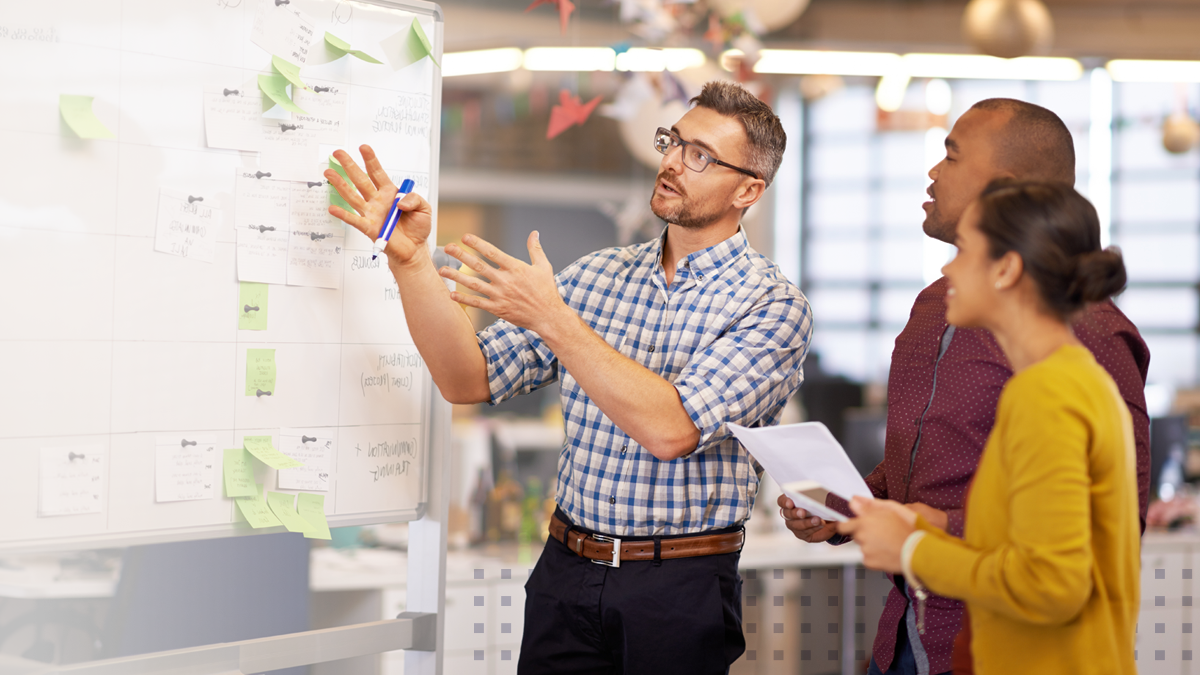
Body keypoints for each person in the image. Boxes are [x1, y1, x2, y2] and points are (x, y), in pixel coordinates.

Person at [325, 81, 812, 674]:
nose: (671, 163)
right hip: (566, 570)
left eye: (700, 155)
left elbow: (672, 429)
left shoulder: (772, 306)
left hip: (678, 587)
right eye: (673, 142)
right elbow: (466, 377)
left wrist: (554, 319)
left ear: (748, 189)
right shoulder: (598, 275)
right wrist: (411, 262)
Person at [777, 98, 1150, 675]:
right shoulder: (941, 311)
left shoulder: (1068, 369)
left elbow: (1076, 555)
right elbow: (947, 479)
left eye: (949, 154)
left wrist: (914, 540)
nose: (949, 270)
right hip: (916, 627)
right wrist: (856, 510)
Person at [842, 180, 1139, 675]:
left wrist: (912, 550)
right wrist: (925, 523)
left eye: (965, 250)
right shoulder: (1073, 378)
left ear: (1006, 268)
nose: (947, 266)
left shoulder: (1047, 392)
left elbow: (1051, 585)